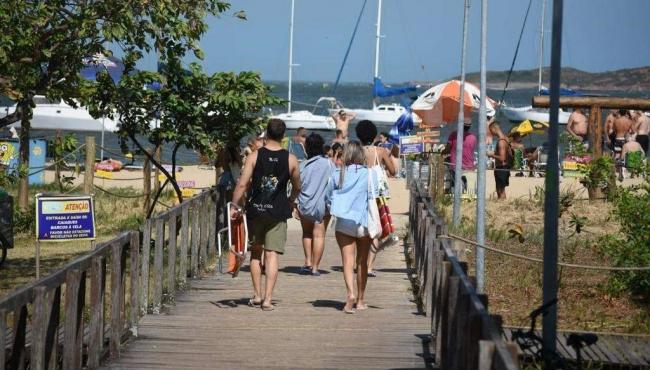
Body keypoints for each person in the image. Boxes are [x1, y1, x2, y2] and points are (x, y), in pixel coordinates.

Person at [231, 119, 301, 311]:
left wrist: (234, 205)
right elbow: (297, 186)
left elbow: (243, 184)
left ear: (266, 134)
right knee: (272, 255)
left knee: (256, 252)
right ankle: (268, 299)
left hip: (256, 210)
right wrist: (290, 201)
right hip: (277, 212)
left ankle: (256, 294)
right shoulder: (291, 159)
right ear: (283, 136)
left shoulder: (254, 156)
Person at [329, 140, 379, 313]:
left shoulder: (338, 173)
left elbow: (329, 196)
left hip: (343, 222)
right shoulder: (370, 174)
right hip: (363, 222)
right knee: (362, 262)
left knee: (347, 261)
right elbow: (375, 194)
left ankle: (350, 293)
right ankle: (361, 300)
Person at [356, 120, 396, 278]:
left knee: (361, 227)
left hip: (360, 193)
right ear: (374, 135)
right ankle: (370, 266)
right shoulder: (381, 151)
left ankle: (359, 261)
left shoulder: (356, 151)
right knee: (376, 230)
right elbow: (393, 171)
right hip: (378, 195)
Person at [297, 133, 334, 276]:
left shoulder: (303, 165)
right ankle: (315, 267)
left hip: (305, 203)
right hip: (323, 205)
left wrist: (294, 204)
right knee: (319, 235)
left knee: (306, 233)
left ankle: (307, 262)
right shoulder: (329, 164)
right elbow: (334, 183)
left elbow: (297, 185)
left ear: (306, 148)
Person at [488, 121, 513, 200]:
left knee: (500, 191)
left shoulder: (501, 142)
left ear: (494, 129)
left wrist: (491, 155)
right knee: (502, 190)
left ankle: (502, 205)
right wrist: (495, 152)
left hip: (501, 168)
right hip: (505, 167)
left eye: (491, 130)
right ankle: (503, 205)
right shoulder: (506, 139)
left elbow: (502, 158)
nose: (491, 133)